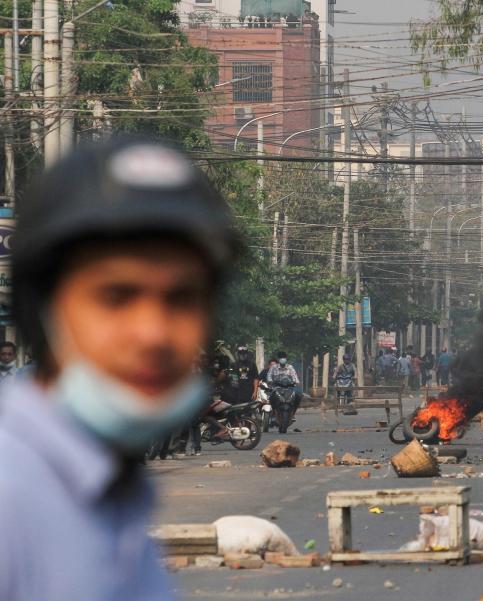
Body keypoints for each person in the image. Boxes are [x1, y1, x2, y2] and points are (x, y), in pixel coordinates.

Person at [0, 138, 239, 600]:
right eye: (116, 296)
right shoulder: (12, 495)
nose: (153, 333)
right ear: (43, 308)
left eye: (182, 298)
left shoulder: (112, 488)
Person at [268, 351, 302, 417]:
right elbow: (269, 376)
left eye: (284, 357)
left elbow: (295, 376)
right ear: (278, 359)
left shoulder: (290, 367)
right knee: (271, 397)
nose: (282, 359)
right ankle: (274, 412)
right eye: (281, 357)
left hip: (289, 388)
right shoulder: (274, 367)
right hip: (277, 388)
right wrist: (271, 381)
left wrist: (296, 381)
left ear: (286, 359)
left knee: (298, 396)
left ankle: (293, 412)